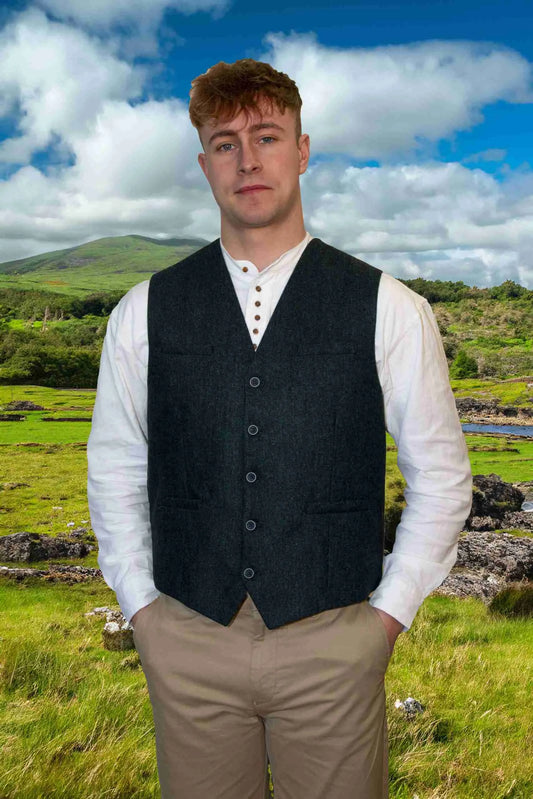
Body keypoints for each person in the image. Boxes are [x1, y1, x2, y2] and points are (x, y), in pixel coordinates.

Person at [87, 58, 472, 799]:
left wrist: (385, 620)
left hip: (335, 642)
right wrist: (144, 610)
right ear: (205, 163)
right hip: (187, 638)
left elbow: (442, 479)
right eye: (225, 143)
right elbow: (116, 468)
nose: (247, 159)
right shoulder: (143, 310)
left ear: (301, 150)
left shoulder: (391, 307)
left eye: (266, 136)